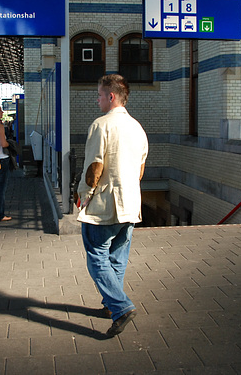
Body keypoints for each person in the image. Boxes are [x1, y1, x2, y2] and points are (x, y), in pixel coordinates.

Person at [75, 74, 149, 337]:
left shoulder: (101, 125)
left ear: (111, 96)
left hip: (105, 204)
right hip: (131, 204)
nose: (97, 99)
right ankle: (110, 306)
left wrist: (83, 195)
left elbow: (94, 167)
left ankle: (121, 307)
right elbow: (140, 169)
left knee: (96, 257)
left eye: (99, 94)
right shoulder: (138, 127)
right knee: (117, 258)